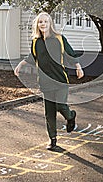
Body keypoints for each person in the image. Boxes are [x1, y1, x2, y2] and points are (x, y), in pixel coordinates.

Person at [14, 12, 84, 151]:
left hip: (60, 80)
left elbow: (70, 54)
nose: (43, 24)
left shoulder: (59, 38)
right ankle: (52, 139)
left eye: (46, 21)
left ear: (50, 23)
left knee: (61, 106)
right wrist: (20, 64)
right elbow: (32, 57)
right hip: (45, 82)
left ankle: (71, 116)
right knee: (49, 112)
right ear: (37, 25)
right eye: (40, 22)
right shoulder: (36, 42)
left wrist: (78, 67)